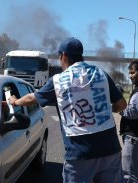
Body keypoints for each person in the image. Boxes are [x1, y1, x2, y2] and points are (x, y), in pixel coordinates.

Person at [8, 37, 127, 183]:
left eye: (59, 57)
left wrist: (14, 101)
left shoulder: (58, 80)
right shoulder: (101, 74)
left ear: (63, 55)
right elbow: (122, 105)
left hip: (80, 154)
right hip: (111, 150)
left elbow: (31, 99)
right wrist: (106, 109)